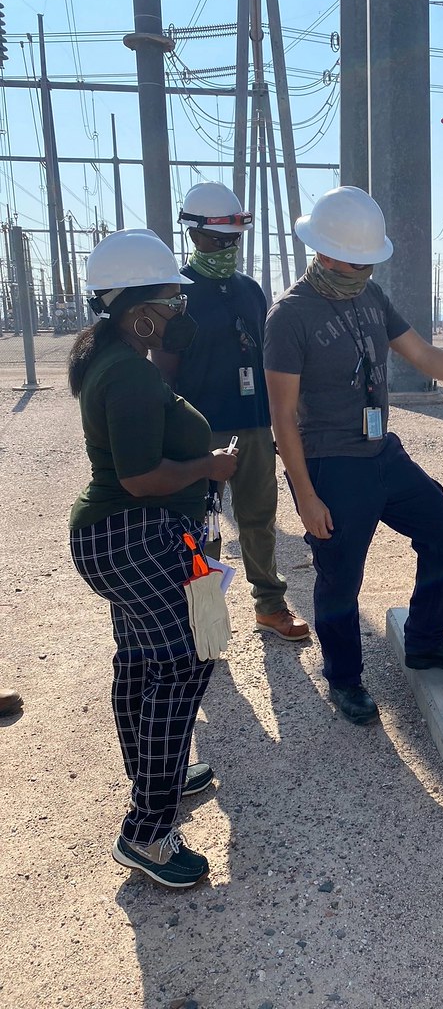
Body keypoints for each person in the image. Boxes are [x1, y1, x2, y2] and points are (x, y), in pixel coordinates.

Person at [264, 186, 443, 725]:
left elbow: (424, 355)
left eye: (368, 261)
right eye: (353, 259)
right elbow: (283, 417)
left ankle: (426, 639)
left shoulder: (371, 297)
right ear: (322, 251)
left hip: (383, 452)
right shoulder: (288, 317)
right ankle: (345, 679)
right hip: (330, 465)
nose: (361, 269)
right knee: (340, 575)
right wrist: (307, 497)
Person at [68, 228, 238, 888]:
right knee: (186, 663)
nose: (181, 314)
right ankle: (148, 834)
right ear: (141, 313)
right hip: (140, 532)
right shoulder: (131, 374)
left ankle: (157, 776)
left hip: (129, 536)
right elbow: (142, 478)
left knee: (143, 663)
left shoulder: (120, 362)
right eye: (173, 301)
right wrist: (213, 464)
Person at [152, 182, 309, 642]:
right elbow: (164, 372)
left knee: (259, 517)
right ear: (193, 234)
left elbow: (268, 355)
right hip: (202, 428)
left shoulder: (250, 290)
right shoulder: (176, 295)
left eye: (233, 238)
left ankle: (270, 605)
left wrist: (282, 419)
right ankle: (206, 617)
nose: (225, 247)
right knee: (204, 526)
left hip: (254, 422)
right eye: (216, 239)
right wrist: (171, 431)